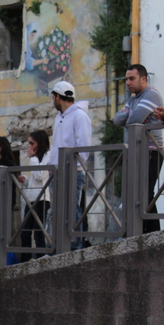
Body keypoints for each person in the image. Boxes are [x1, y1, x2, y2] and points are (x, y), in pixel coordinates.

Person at [114, 64, 164, 234]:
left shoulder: (151, 94)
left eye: (131, 78)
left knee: (145, 195)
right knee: (137, 195)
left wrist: (130, 114)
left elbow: (133, 119)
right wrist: (131, 114)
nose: (128, 82)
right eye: (126, 79)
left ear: (143, 79)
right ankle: (141, 233)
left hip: (151, 152)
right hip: (135, 153)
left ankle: (152, 234)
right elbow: (118, 120)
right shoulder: (134, 98)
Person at [46, 80, 92, 248]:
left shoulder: (79, 116)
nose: (53, 101)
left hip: (72, 171)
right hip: (57, 171)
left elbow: (83, 147)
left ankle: (75, 246)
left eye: (53, 97)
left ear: (57, 97)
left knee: (72, 210)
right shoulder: (60, 117)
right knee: (58, 211)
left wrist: (73, 166)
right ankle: (59, 246)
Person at [17, 130, 52, 261]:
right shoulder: (37, 159)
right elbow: (34, 180)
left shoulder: (47, 156)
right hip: (31, 198)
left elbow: (39, 175)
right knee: (25, 231)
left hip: (42, 199)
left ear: (39, 144)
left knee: (38, 231)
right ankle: (25, 260)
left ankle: (41, 258)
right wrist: (25, 180)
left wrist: (33, 158)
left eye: (32, 143)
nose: (29, 146)